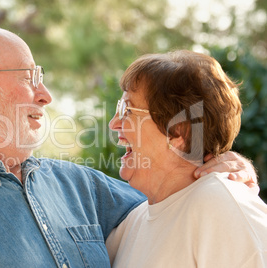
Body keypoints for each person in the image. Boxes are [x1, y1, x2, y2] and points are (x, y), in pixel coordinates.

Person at [0, 23, 257, 267]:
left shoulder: (80, 186)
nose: (46, 95)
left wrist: (221, 159)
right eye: (30, 76)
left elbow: (174, 196)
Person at [106, 50, 267, 267]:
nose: (113, 123)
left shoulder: (222, 206)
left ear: (178, 130)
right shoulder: (129, 226)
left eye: (127, 109)